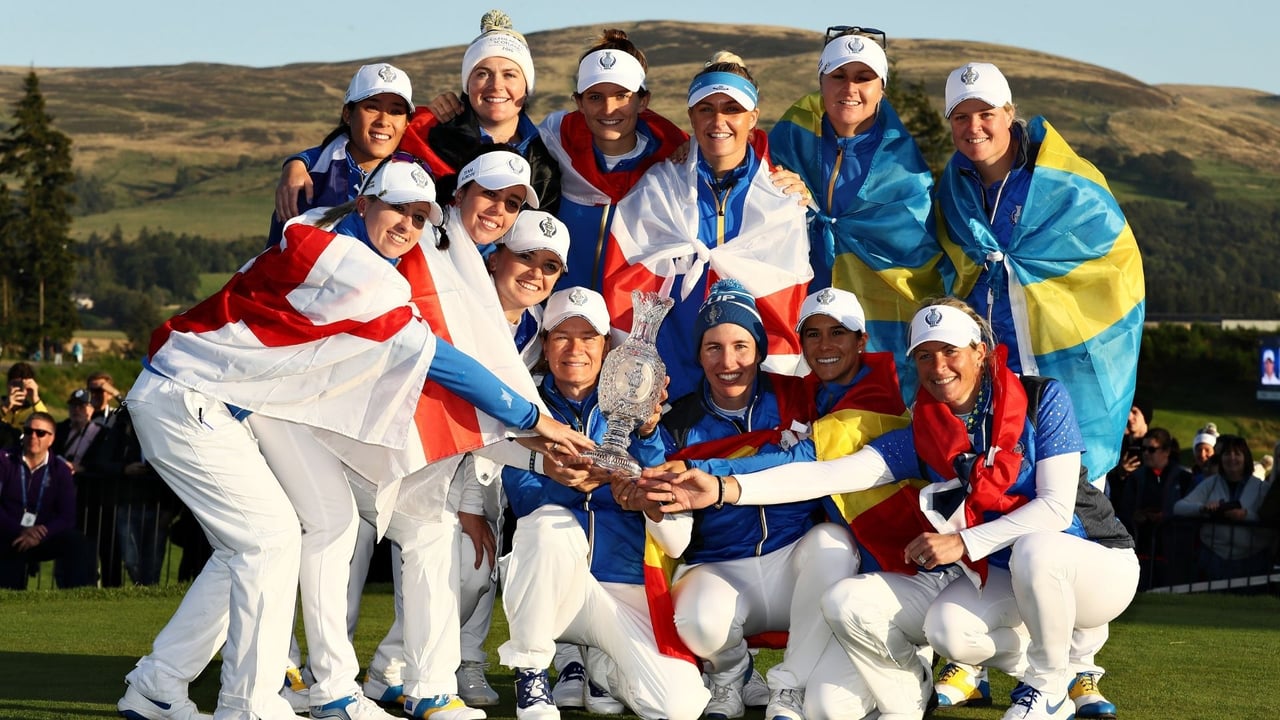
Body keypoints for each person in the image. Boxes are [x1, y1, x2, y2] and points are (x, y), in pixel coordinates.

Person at [115, 155, 588, 720]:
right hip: (186, 397)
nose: (406, 227)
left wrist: (529, 438)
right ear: (363, 203)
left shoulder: (327, 234)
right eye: (396, 209)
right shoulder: (355, 266)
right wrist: (536, 422)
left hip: (208, 401)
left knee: (254, 545)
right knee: (269, 542)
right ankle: (254, 705)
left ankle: (158, 685)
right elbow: (439, 360)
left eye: (417, 216)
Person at [646, 297, 1139, 720]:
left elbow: (1055, 510)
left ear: (979, 351)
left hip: (1096, 562)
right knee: (945, 632)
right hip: (1006, 574)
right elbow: (829, 473)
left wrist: (963, 542)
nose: (938, 366)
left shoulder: (1041, 397)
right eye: (925, 356)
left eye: (949, 351)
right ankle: (1018, 659)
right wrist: (723, 489)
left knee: (1038, 552)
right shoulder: (923, 431)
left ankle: (1051, 684)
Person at [629, 280, 863, 720]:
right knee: (697, 620)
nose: (728, 361)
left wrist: (716, 474)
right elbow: (658, 481)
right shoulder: (678, 420)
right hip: (719, 565)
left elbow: (816, 458)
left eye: (741, 345)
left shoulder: (800, 396)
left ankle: (790, 684)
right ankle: (731, 674)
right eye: (713, 347)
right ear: (698, 355)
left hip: (795, 559)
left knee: (833, 544)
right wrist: (644, 435)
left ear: (759, 347)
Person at [496, 286, 709, 720]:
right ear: (545, 345)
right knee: (547, 524)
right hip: (554, 584)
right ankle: (532, 670)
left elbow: (664, 496)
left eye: (588, 337)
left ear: (607, 346)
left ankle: (601, 668)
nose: (575, 349)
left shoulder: (636, 407)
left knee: (679, 707)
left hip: (622, 583)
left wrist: (648, 437)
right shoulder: (523, 409)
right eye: (562, 336)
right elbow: (525, 498)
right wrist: (592, 483)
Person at [934, 62, 1144, 489]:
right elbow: (948, 266)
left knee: (1069, 522)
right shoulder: (952, 189)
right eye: (960, 116)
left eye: (986, 113)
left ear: (1009, 114)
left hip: (1064, 372)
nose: (974, 127)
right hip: (993, 384)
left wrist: (1027, 271)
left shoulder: (1067, 182)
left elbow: (1114, 264)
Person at [602, 52, 811, 400]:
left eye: (732, 109)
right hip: (668, 363)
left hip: (746, 369)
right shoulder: (658, 186)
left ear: (753, 118)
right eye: (706, 108)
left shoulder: (782, 198)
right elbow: (622, 277)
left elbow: (791, 297)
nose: (719, 120)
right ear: (691, 117)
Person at [768, 26, 948, 399]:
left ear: (881, 87)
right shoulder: (790, 137)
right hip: (800, 307)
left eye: (863, 78)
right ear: (822, 81)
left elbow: (917, 261)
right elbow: (745, 171)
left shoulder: (904, 168)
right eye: (839, 76)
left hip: (879, 321)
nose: (850, 89)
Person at [537, 29, 688, 292]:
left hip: (632, 319)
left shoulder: (674, 161)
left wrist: (782, 176)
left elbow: (737, 153)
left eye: (622, 95)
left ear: (643, 101)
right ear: (579, 102)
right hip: (561, 319)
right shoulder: (553, 140)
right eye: (595, 97)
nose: (608, 109)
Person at [400, 9, 560, 213]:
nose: (496, 86)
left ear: (526, 87)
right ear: (468, 84)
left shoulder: (548, 154)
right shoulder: (429, 135)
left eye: (510, 75)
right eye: (483, 74)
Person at [272, 62, 415, 245]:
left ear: (406, 124)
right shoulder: (309, 179)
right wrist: (296, 163)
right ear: (348, 114)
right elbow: (279, 255)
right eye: (372, 107)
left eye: (396, 111)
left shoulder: (411, 178)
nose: (383, 121)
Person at [0, 412, 95, 589]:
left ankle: (78, 597)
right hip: (9, 533)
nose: (33, 436)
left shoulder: (60, 469)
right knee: (9, 582)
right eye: (28, 431)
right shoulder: (4, 460)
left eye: (40, 433)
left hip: (42, 536)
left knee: (77, 541)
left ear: (51, 439)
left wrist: (40, 533)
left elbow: (67, 516)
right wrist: (20, 530)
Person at [1174, 435, 1275, 581]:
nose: (1231, 458)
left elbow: (1269, 519)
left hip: (1251, 560)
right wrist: (1202, 508)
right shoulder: (1211, 483)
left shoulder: (1261, 488)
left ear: (1246, 458)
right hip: (1212, 559)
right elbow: (1179, 507)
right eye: (1227, 454)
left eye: (1237, 454)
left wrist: (1246, 515)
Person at [1114, 426, 1196, 589]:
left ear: (1166, 451)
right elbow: (1125, 510)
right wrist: (1136, 516)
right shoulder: (1136, 478)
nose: (1145, 453)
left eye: (1151, 449)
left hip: (1172, 548)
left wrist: (1166, 516)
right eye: (1143, 449)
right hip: (1142, 545)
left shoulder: (1184, 478)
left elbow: (1190, 510)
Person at [1, 362, 48, 446]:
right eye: (15, 384)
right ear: (7, 385)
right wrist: (4, 408)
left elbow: (47, 428)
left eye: (25, 386)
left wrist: (35, 399)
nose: (20, 389)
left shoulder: (33, 411)